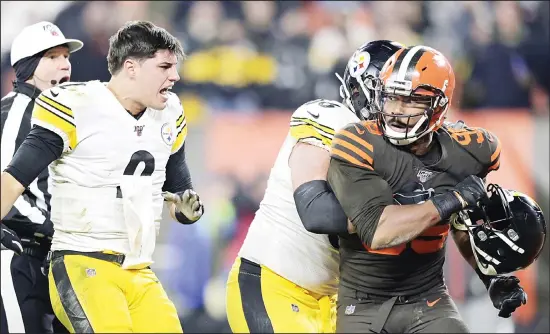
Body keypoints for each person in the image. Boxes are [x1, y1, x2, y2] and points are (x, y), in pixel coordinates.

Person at [0, 20, 204, 333]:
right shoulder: (75, 106)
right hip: (82, 261)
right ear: (132, 67)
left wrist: (187, 211)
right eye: (164, 66)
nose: (174, 76)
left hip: (138, 268)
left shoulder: (171, 113)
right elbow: (13, 179)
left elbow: (179, 193)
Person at [326, 45, 528, 333]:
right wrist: (451, 199)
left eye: (411, 101)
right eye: (392, 97)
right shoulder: (358, 142)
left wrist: (490, 277)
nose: (396, 109)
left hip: (428, 299)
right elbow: (379, 231)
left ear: (439, 105)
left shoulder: (473, 151)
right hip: (362, 305)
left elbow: (462, 224)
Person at [225, 40, 403, 333]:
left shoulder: (399, 157)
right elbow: (315, 211)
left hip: (330, 303)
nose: (401, 107)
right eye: (393, 96)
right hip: (274, 285)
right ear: (363, 91)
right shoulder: (334, 119)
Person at [0, 21, 83, 334]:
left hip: (53, 259)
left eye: (66, 57)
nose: (65, 64)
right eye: (52, 57)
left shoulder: (62, 116)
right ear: (29, 66)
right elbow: (6, 188)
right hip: (17, 254)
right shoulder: (16, 112)